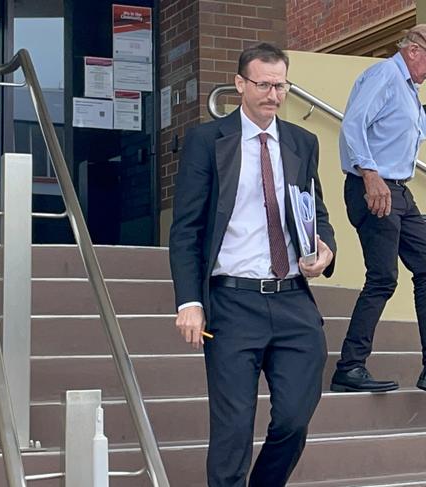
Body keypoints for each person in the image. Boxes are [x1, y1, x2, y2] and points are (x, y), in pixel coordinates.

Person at [169, 42, 336, 487]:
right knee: (232, 431)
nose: (273, 94)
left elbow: (314, 210)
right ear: (240, 84)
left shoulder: (303, 142)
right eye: (263, 84)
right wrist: (189, 301)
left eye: (281, 85)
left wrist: (327, 249)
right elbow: (186, 229)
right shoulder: (208, 141)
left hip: (292, 300)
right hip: (231, 302)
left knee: (295, 418)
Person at [330, 24, 426, 401]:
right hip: (375, 189)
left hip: (399, 190)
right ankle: (349, 367)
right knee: (383, 278)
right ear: (414, 51)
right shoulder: (384, 75)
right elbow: (352, 124)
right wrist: (370, 175)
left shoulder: (408, 89)